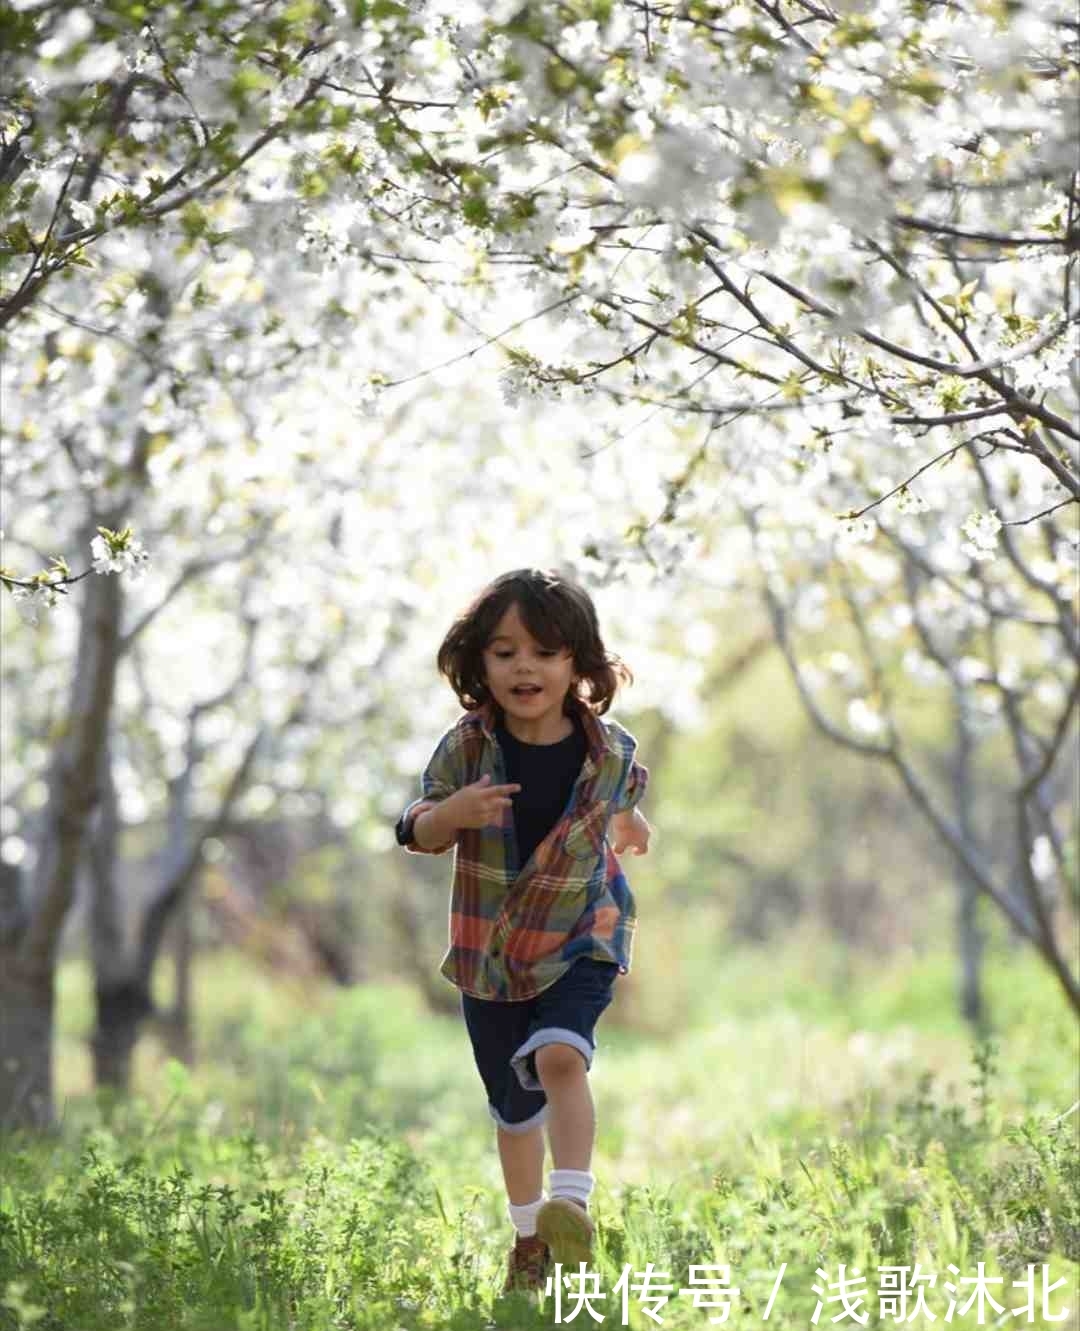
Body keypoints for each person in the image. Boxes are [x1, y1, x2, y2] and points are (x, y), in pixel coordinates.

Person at [394, 567, 652, 1297]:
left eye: (543, 651)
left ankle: (571, 1202)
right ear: (478, 664)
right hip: (494, 954)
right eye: (504, 652)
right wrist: (451, 816)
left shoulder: (609, 748)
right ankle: (529, 1235)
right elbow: (414, 824)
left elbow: (625, 792)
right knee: (515, 1108)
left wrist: (631, 824)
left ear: (578, 663)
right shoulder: (468, 750)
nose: (524, 667)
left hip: (583, 931)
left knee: (563, 1057)